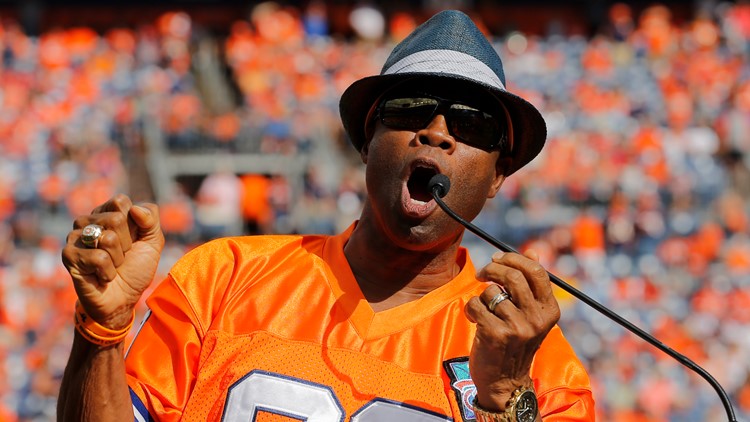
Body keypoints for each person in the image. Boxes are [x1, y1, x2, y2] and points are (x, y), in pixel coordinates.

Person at [58, 10, 595, 422]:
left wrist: (506, 398)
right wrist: (103, 331)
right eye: (408, 111)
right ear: (367, 141)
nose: (436, 132)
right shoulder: (221, 277)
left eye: (471, 125)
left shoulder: (531, 356)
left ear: (499, 175)